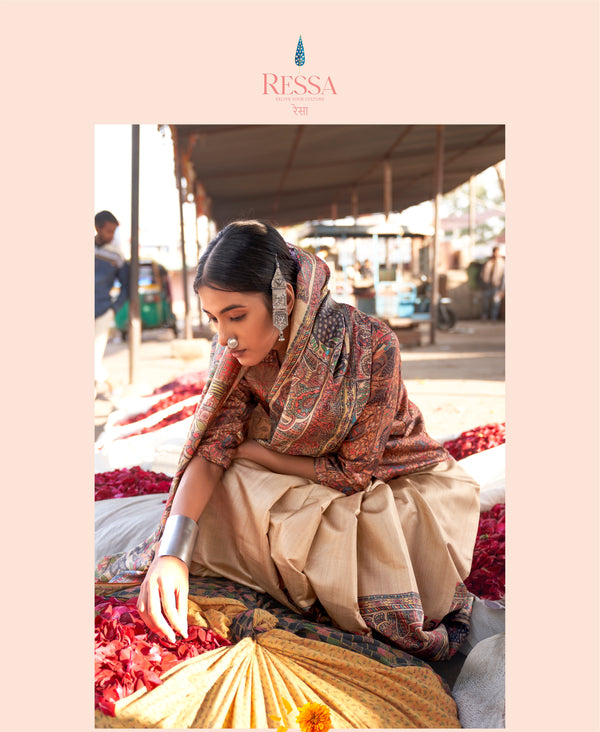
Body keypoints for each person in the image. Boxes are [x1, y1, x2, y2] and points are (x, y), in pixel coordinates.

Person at [97, 220, 480, 661]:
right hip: (302, 470)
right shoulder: (234, 354)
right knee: (222, 481)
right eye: (213, 319)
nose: (224, 337)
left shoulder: (372, 345)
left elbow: (354, 474)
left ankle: (307, 574)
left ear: (284, 302)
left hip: (390, 486)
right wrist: (172, 555)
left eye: (236, 316)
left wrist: (258, 451)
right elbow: (212, 446)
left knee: (361, 537)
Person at [94, 210, 129, 393]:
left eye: (114, 231)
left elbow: (126, 285)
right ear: (97, 228)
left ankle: (111, 386)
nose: (112, 235)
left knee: (93, 360)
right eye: (108, 231)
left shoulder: (116, 255)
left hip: (103, 311)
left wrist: (114, 308)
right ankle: (111, 384)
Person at [479, 246, 505, 321]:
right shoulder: (488, 261)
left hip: (496, 286)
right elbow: (482, 273)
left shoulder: (502, 263)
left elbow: (504, 277)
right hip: (487, 285)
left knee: (495, 303)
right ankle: (485, 316)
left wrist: (502, 289)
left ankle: (494, 318)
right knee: (485, 303)